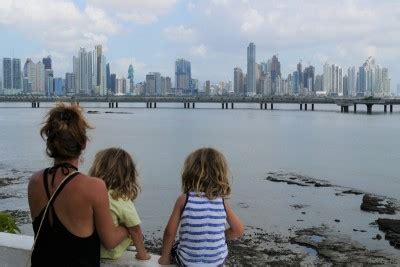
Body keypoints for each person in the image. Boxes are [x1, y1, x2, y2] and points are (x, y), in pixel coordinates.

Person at [28, 103, 129, 267]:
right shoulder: (94, 187)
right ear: (83, 144)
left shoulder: (35, 181)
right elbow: (110, 241)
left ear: (51, 143)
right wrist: (128, 228)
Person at [158, 147, 244, 266]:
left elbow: (169, 232)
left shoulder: (184, 199)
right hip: (216, 263)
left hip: (188, 263)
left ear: (190, 172)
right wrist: (217, 237)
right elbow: (238, 230)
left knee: (177, 245)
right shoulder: (221, 202)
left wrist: (164, 258)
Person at [89, 148, 150, 261]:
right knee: (128, 226)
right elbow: (135, 229)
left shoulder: (91, 194)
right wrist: (142, 255)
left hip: (90, 250)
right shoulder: (120, 199)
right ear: (128, 174)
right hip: (110, 253)